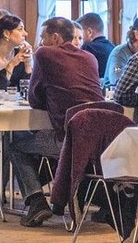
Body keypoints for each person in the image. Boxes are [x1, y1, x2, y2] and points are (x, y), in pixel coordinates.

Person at [21, 16, 102, 226]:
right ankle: (59, 198)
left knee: (16, 146)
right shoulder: (89, 58)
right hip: (100, 141)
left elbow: (34, 99)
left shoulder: (45, 54)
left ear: (55, 38)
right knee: (42, 146)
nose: (40, 42)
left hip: (68, 139)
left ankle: (37, 201)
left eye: (42, 37)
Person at [76, 12, 115, 78]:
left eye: (80, 35)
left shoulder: (87, 49)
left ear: (89, 32)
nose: (78, 40)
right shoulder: (113, 47)